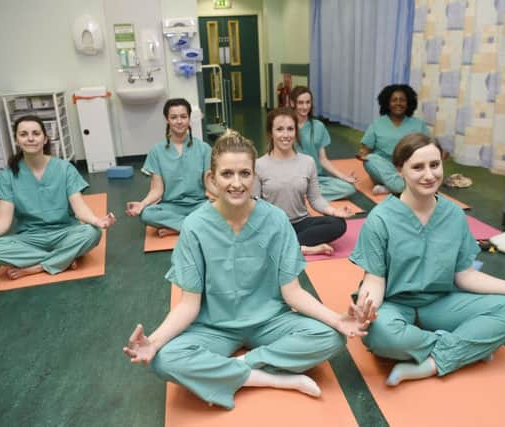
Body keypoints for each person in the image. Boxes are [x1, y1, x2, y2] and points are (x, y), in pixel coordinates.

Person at [123, 130, 375, 409]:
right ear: (212, 179)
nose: (236, 183)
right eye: (227, 174)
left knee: (331, 337)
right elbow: (188, 305)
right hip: (214, 326)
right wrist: (154, 341)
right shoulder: (194, 227)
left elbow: (293, 293)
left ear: (254, 177)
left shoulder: (276, 221)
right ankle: (274, 379)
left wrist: (337, 320)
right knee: (163, 359)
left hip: (269, 322)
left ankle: (237, 368)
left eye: (244, 174)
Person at [350, 133, 505, 386]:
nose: (429, 175)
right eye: (417, 167)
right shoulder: (380, 219)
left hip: (440, 302)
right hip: (395, 305)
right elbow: (375, 280)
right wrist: (367, 308)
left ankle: (431, 363)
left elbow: (465, 275)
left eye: (435, 164)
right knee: (382, 335)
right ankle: (466, 348)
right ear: (400, 170)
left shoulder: (453, 214)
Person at [0, 115, 115, 280]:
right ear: (17, 140)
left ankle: (37, 267)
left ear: (45, 139)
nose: (30, 138)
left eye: (36, 133)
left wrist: (98, 221)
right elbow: (2, 222)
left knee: (92, 233)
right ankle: (64, 259)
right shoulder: (8, 176)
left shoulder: (64, 168)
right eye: (23, 134)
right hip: (31, 238)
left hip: (65, 233)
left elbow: (80, 209)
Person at [254, 108, 353, 256]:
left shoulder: (308, 162)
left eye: (290, 129)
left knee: (338, 224)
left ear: (296, 132)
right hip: (274, 226)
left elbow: (315, 198)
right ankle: (302, 247)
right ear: (271, 133)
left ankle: (289, 247)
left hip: (301, 223)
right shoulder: (258, 165)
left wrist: (334, 211)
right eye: (280, 129)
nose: (286, 135)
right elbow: (255, 205)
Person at [125, 98, 211, 237]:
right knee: (146, 214)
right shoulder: (156, 151)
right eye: (174, 117)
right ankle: (193, 226)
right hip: (172, 206)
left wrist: (222, 200)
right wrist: (142, 204)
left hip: (199, 204)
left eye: (183, 116)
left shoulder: (204, 149)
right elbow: (157, 190)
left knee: (221, 210)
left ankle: (177, 227)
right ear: (167, 120)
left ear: (189, 119)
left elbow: (210, 184)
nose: (179, 121)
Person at [356, 84, 429, 194]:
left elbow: (429, 149)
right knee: (370, 159)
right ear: (387, 103)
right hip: (384, 169)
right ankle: (402, 187)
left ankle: (391, 188)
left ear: (408, 103)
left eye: (402, 100)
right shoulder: (377, 124)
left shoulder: (419, 124)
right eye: (394, 100)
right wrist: (361, 154)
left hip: (410, 168)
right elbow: (365, 151)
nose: (398, 103)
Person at [290, 86, 357, 201]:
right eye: (300, 103)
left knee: (349, 188)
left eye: (308, 102)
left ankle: (305, 195)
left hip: (316, 178)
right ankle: (304, 193)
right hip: (293, 179)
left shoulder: (318, 126)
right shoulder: (286, 127)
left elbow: (323, 159)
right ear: (292, 103)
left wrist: (343, 177)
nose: (305, 107)